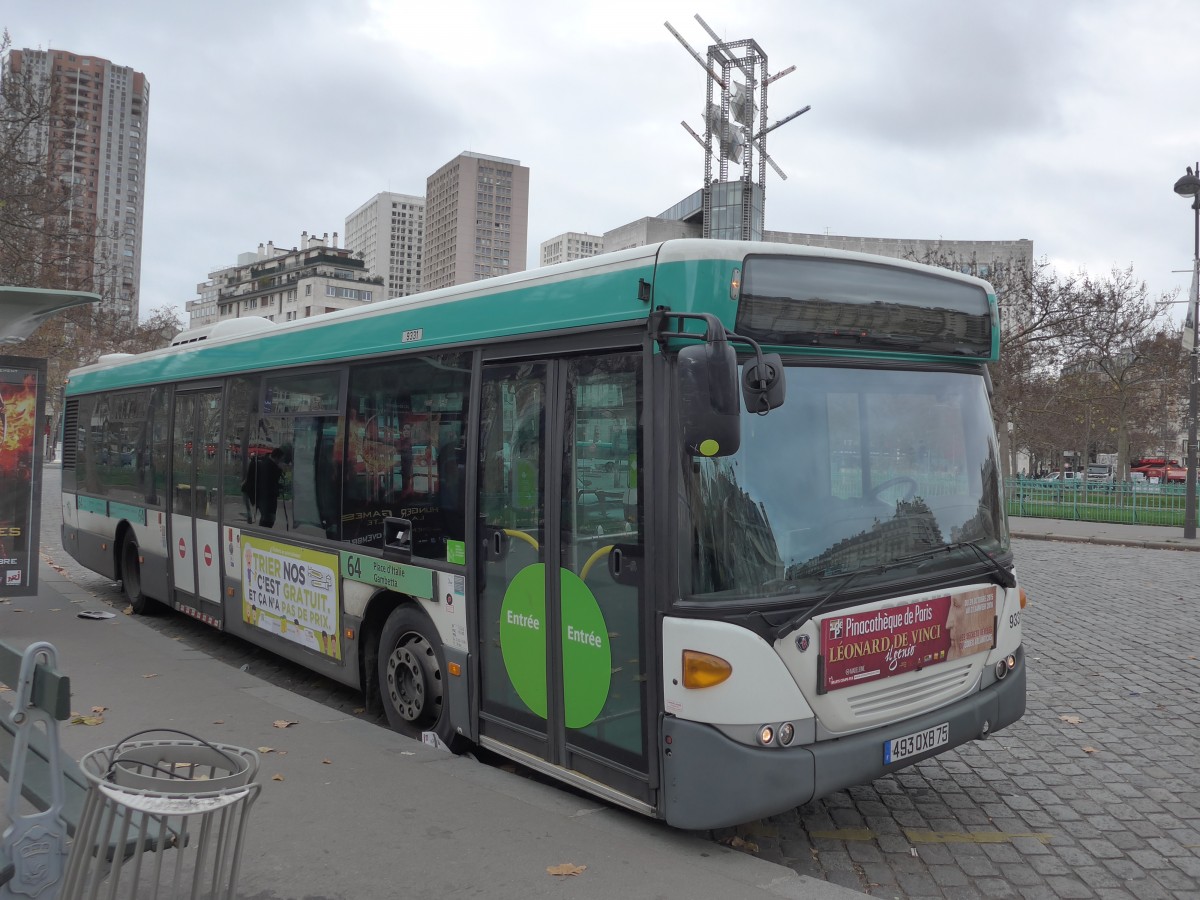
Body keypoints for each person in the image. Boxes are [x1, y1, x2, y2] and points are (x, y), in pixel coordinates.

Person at [241, 448, 284, 527]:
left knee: (266, 518)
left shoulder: (263, 461)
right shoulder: (271, 466)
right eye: (280, 460)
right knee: (268, 519)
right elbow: (271, 483)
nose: (281, 462)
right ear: (277, 458)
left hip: (258, 496)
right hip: (266, 499)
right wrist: (279, 469)